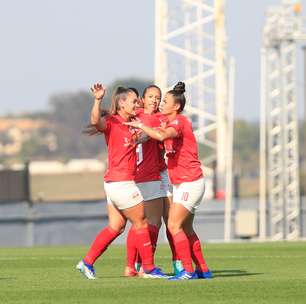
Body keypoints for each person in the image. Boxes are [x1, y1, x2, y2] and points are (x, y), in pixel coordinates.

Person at [76, 83, 167, 279]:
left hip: (113, 183)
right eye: (134, 101)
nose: (138, 104)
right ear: (122, 103)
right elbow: (95, 122)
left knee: (116, 226)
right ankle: (149, 269)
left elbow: (142, 135)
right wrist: (98, 99)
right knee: (141, 222)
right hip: (121, 182)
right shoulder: (112, 121)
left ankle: (87, 262)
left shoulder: (131, 122)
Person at [125, 82, 212, 280]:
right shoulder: (163, 120)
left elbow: (162, 134)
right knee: (185, 227)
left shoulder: (179, 122)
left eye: (164, 100)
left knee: (173, 225)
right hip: (181, 182)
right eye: (155, 98)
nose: (160, 103)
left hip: (190, 181)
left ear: (176, 107)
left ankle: (187, 270)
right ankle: (203, 270)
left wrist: (141, 126)